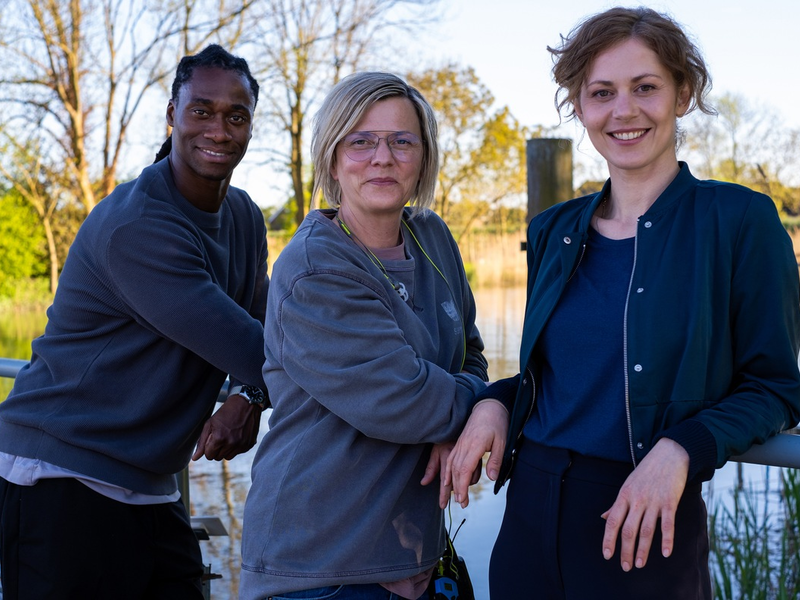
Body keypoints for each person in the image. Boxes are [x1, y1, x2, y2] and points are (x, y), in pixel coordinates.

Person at [446, 7, 800, 599]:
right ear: (580, 107)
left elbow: (776, 389)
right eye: (601, 92)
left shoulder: (739, 221)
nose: (624, 110)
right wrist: (495, 401)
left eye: (646, 87)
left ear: (683, 93)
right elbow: (562, 376)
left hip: (647, 521)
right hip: (529, 514)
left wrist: (682, 447)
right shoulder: (554, 229)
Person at [0, 44, 269, 599]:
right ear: (172, 115)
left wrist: (248, 396)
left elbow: (266, 329)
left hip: (148, 485)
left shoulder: (244, 217)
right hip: (60, 477)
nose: (219, 129)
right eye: (201, 110)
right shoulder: (138, 226)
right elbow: (254, 347)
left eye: (236, 116)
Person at [239, 71, 489, 600]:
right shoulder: (315, 269)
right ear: (332, 157)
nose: (383, 157)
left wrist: (458, 415)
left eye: (402, 140)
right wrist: (483, 411)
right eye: (361, 141)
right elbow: (402, 400)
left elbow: (471, 353)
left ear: (423, 156)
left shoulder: (433, 238)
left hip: (413, 555)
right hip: (323, 567)